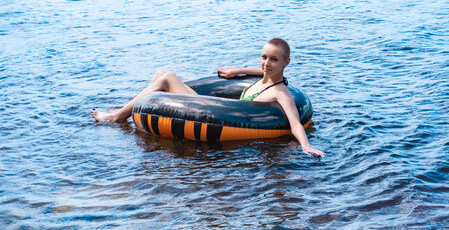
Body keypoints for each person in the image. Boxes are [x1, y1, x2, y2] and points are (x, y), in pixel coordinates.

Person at [92, 38, 325, 158]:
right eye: (264, 57)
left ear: (286, 63)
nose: (266, 63)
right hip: (218, 108)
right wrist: (236, 71)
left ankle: (117, 117)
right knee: (161, 74)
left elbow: (295, 122)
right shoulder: (264, 76)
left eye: (273, 59)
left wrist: (306, 146)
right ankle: (122, 114)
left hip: (226, 117)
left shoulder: (280, 92)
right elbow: (262, 72)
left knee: (167, 78)